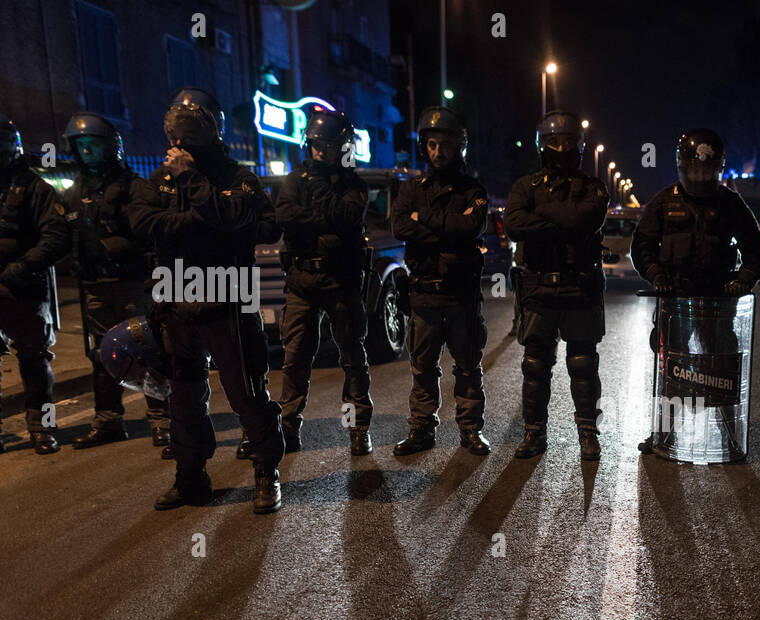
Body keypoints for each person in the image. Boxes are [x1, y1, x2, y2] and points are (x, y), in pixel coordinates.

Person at [128, 88, 285, 512]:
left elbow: (244, 221)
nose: (177, 146)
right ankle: (190, 476)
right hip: (176, 298)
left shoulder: (237, 178)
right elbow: (143, 223)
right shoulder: (156, 180)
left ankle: (266, 472)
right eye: (174, 137)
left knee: (246, 392)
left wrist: (193, 184)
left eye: (187, 138)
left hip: (228, 299)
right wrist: (201, 219)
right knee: (183, 395)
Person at [630, 127, 760, 454]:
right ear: (682, 166)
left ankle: (731, 437)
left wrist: (742, 282)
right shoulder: (664, 201)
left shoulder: (730, 204)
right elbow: (642, 247)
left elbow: (755, 252)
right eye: (695, 169)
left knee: (721, 371)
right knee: (670, 372)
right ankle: (663, 435)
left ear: (718, 168)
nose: (701, 176)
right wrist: (656, 275)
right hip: (675, 300)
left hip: (718, 303)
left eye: (707, 170)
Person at [61, 112, 171, 455]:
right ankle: (109, 421)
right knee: (101, 354)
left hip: (131, 284)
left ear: (111, 147)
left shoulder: (134, 188)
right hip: (94, 286)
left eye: (93, 144)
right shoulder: (75, 191)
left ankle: (161, 421)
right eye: (81, 146)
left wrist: (127, 248)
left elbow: (155, 235)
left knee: (147, 349)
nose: (87, 152)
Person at [503, 111, 609, 461]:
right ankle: (534, 434)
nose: (562, 148)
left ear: (579, 146)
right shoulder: (525, 186)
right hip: (538, 288)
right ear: (542, 145)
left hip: (580, 287)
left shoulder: (594, 187)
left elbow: (584, 221)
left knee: (583, 364)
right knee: (535, 364)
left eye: (568, 142)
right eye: (554, 142)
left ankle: (588, 434)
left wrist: (544, 218)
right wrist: (564, 221)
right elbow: (514, 224)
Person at [390, 107, 490, 457]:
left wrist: (426, 221)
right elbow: (401, 226)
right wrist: (448, 229)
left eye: (444, 144)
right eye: (431, 144)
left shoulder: (473, 189)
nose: (437, 151)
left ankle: (470, 431)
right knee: (422, 369)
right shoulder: (411, 189)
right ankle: (421, 430)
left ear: (459, 145)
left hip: (461, 296)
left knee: (467, 366)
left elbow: (471, 227)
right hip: (425, 295)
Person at [276, 109, 373, 456]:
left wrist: (317, 197)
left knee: (351, 358)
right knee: (295, 358)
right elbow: (286, 217)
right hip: (302, 281)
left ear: (342, 146)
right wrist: (324, 225)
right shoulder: (294, 179)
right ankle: (288, 427)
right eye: (315, 144)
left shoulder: (353, 184)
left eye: (328, 145)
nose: (320, 151)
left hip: (340, 280)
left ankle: (357, 427)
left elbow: (347, 219)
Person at [0, 112, 70, 455]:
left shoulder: (34, 188)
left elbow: (55, 236)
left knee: (35, 361)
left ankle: (43, 428)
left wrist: (23, 266)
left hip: (23, 287)